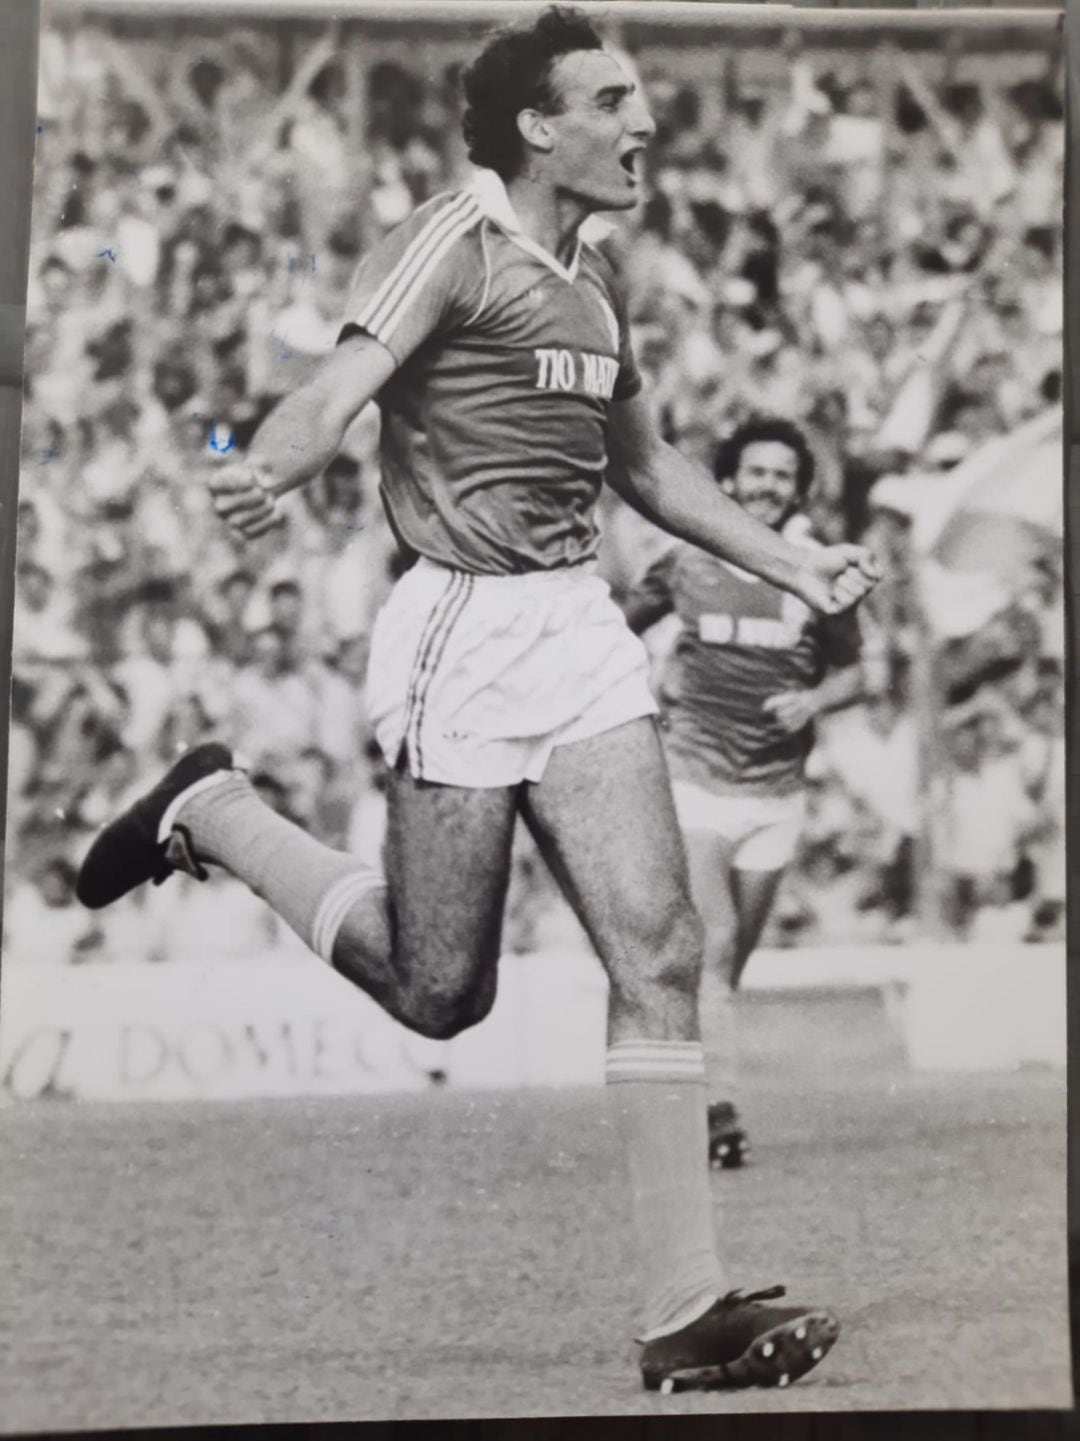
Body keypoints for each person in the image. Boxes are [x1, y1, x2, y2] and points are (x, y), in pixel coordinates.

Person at [77, 8, 878, 1394]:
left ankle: (683, 1308)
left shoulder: (593, 279)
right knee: (441, 989)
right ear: (538, 125)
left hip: (577, 628)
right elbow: (334, 390)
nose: (643, 122)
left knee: (662, 944)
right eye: (615, 99)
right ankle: (215, 812)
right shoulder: (452, 239)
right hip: (462, 623)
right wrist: (267, 463)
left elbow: (651, 465)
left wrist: (794, 562)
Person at [622, 416, 865, 1169]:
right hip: (695, 777)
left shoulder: (814, 571)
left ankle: (694, 1090)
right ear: (727, 481)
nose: (766, 486)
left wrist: (814, 702)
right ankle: (716, 1111)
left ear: (797, 490)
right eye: (754, 472)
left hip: (775, 794)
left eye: (781, 476)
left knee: (729, 965)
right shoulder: (687, 561)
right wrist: (641, 686)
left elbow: (857, 671)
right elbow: (613, 628)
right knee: (715, 943)